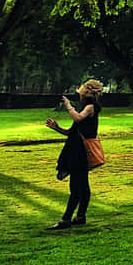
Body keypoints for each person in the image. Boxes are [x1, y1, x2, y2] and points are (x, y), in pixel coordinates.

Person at [44, 78, 105, 230]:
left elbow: (78, 117)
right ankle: (80, 216)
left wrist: (68, 106)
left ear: (85, 93)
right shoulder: (86, 107)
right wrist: (56, 128)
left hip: (81, 152)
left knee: (77, 187)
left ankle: (66, 219)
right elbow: (71, 132)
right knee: (82, 185)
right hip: (76, 150)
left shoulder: (90, 107)